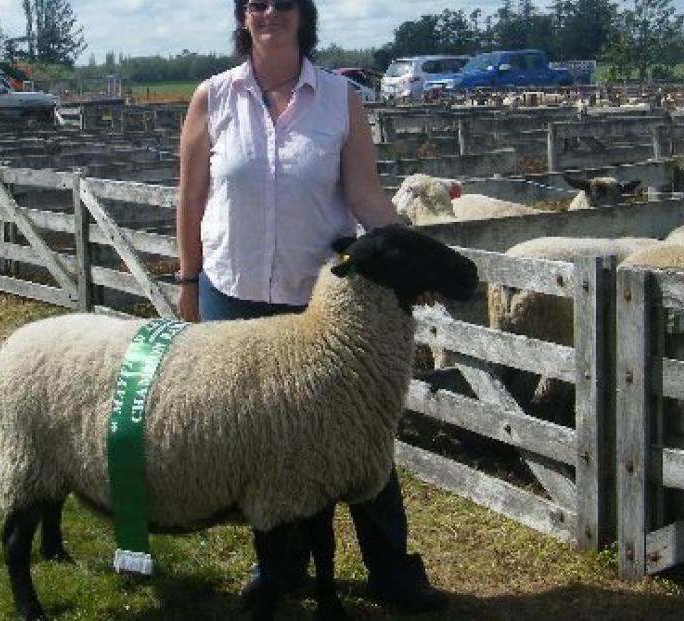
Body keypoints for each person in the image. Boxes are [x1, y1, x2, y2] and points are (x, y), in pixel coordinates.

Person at [175, 0, 447, 613]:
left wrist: (413, 255)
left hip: (317, 303)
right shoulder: (212, 97)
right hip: (233, 290)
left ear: (303, 16)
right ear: (243, 18)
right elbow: (190, 199)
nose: (270, 12)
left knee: (355, 435)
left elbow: (365, 194)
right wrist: (189, 282)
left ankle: (391, 570)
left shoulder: (338, 98)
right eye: (256, 4)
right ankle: (279, 567)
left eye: (283, 3)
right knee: (255, 440)